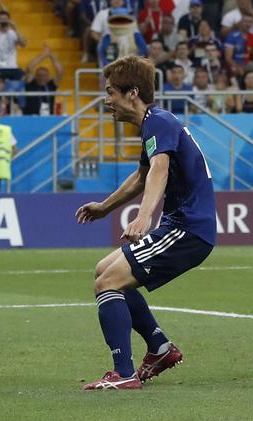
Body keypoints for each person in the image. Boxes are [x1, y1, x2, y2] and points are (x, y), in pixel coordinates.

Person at [75, 55, 215, 390]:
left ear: (132, 93)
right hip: (182, 226)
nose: (106, 100)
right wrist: (105, 208)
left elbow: (159, 171)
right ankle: (160, 348)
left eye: (111, 92)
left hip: (187, 229)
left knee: (107, 283)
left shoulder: (159, 122)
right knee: (103, 270)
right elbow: (141, 177)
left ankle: (123, 374)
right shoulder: (155, 124)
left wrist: (143, 216)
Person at [23, 44, 64, 115]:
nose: (42, 78)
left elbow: (60, 71)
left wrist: (51, 55)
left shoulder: (51, 85)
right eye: (39, 75)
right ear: (35, 76)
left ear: (48, 77)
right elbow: (29, 67)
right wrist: (43, 55)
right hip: (30, 118)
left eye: (44, 76)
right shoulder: (31, 84)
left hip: (47, 118)